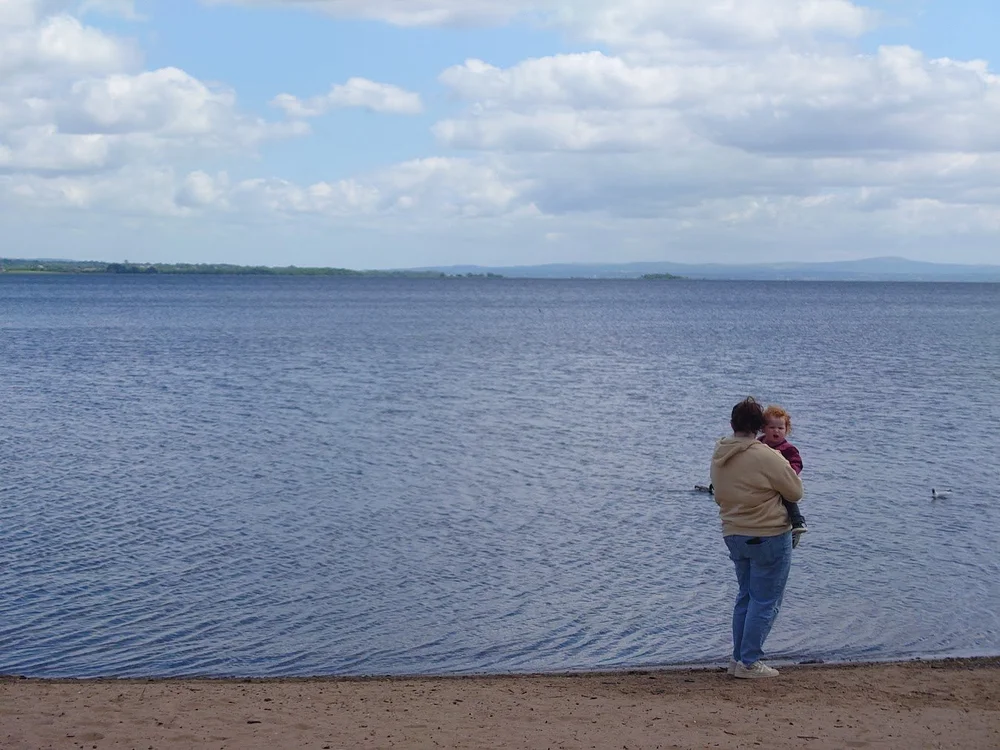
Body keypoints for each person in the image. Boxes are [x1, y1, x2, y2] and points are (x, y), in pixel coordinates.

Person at [711, 397, 803, 679]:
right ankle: (749, 662)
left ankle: (739, 657)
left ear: (732, 424)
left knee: (746, 596)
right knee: (765, 600)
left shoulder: (720, 452)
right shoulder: (766, 455)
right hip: (768, 534)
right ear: (759, 426)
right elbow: (795, 491)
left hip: (734, 533)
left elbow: (718, 493)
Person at [759, 405, 808, 546]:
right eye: (772, 427)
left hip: (782, 481)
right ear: (763, 428)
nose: (776, 431)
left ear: (787, 430)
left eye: (780, 428)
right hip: (763, 481)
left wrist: (791, 472)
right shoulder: (758, 443)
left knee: (788, 498)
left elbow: (797, 463)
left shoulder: (788, 449)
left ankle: (797, 522)